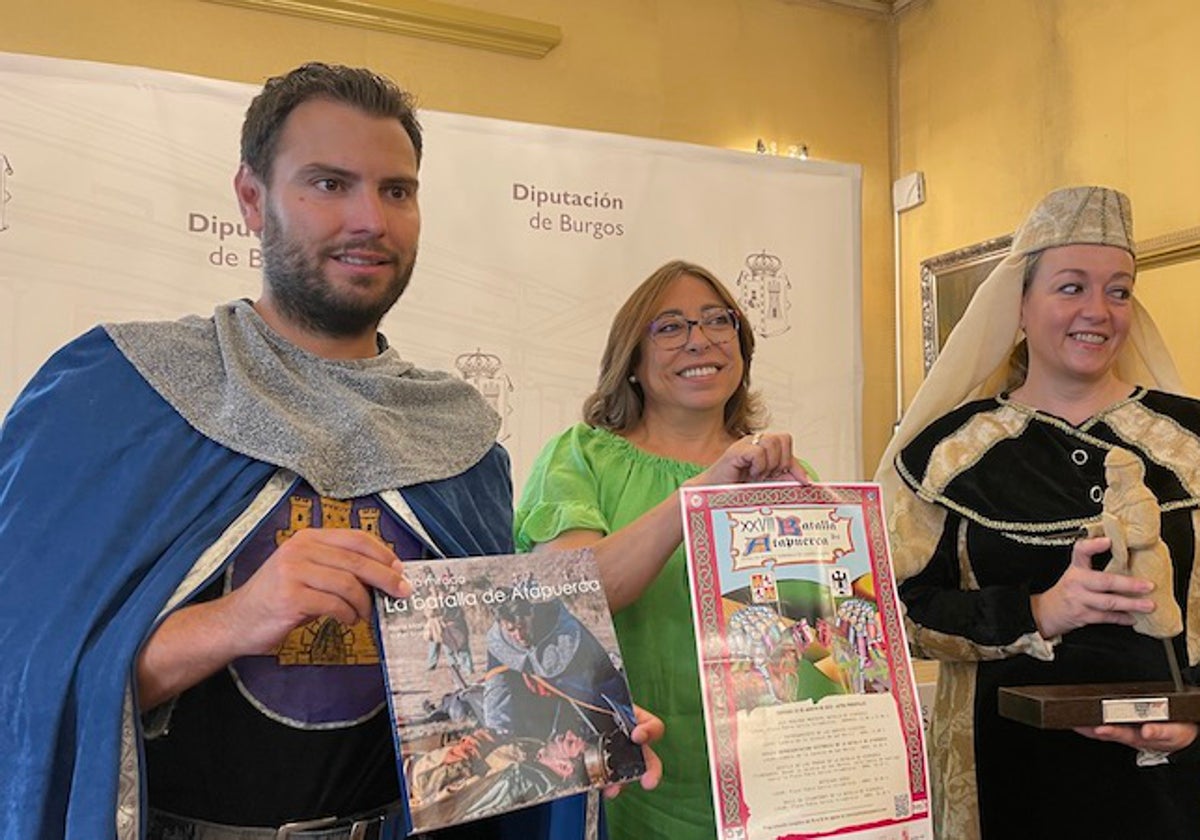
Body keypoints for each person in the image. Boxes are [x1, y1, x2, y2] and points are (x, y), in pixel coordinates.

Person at [0, 62, 661, 840]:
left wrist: (573, 717)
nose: (369, 220)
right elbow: (24, 681)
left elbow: (471, 706)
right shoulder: (119, 395)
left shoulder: (458, 436)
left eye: (396, 191)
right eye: (327, 184)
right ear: (252, 199)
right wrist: (236, 620)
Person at [875, 186, 1200, 840]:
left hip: (1172, 784)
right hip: (1006, 778)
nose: (1098, 312)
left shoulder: (1188, 441)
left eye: (1119, 290)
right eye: (1071, 288)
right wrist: (1039, 611)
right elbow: (894, 610)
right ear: (1018, 307)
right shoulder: (950, 452)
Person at [514, 260, 813, 840]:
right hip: (624, 784)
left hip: (766, 789)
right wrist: (701, 493)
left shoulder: (783, 476)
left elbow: (812, 638)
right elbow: (571, 599)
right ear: (633, 360)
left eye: (717, 322)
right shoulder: (580, 457)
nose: (699, 340)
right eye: (670, 327)